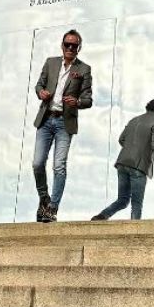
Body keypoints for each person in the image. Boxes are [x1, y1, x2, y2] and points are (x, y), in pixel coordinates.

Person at [32, 29, 92, 222]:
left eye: (74, 45)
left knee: (59, 166)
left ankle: (52, 209)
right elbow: (39, 85)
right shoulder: (50, 62)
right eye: (68, 44)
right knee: (37, 163)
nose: (70, 48)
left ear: (79, 48)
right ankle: (44, 198)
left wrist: (77, 101)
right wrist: (41, 93)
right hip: (45, 119)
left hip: (64, 123)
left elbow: (88, 99)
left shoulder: (84, 69)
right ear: (62, 45)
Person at [92, 98, 154, 221]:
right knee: (136, 203)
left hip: (122, 162)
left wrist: (132, 148)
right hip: (138, 165)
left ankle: (101, 216)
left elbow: (121, 139)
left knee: (122, 200)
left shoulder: (134, 119)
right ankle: (134, 228)